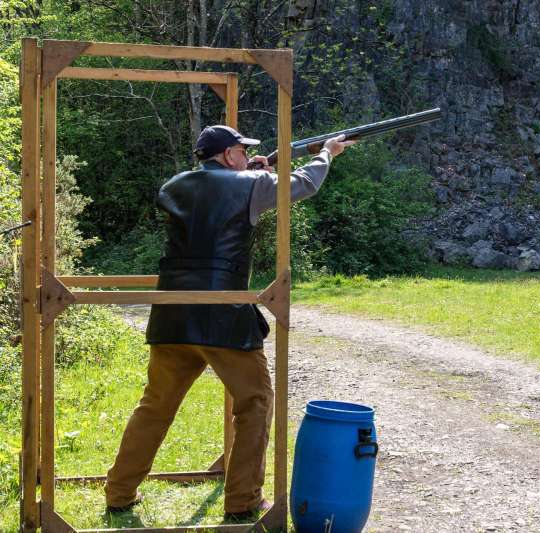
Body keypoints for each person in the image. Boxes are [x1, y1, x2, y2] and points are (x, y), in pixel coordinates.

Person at [103, 125, 355, 520]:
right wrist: (327, 152)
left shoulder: (176, 184)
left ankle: (118, 492)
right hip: (222, 312)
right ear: (226, 155)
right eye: (240, 149)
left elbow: (215, 196)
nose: (246, 154)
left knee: (154, 406)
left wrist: (253, 171)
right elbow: (305, 182)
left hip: (171, 310)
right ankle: (243, 502)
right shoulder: (250, 184)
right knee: (255, 403)